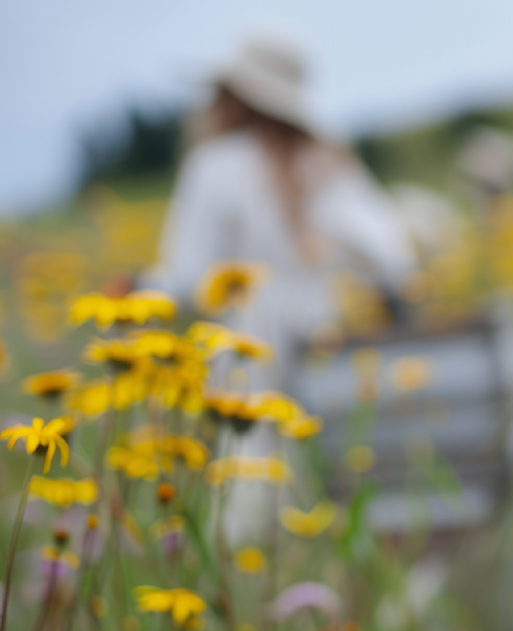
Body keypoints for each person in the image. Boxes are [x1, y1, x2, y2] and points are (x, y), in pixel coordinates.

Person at [145, 34, 414, 391]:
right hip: (326, 354)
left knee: (252, 445)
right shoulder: (325, 162)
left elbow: (188, 279)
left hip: (243, 360)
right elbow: (391, 255)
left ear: (233, 96)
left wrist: (141, 291)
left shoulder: (215, 164)